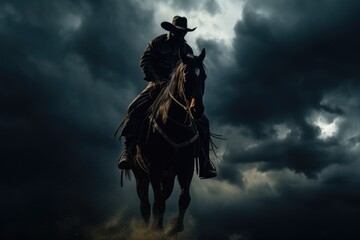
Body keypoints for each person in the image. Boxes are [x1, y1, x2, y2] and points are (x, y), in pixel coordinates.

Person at [116, 16, 217, 179]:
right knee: (133, 108)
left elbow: (190, 74)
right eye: (179, 31)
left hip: (178, 90)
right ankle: (127, 152)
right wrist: (155, 80)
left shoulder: (187, 49)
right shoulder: (157, 43)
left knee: (203, 121)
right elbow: (145, 61)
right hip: (156, 84)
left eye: (184, 32)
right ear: (172, 29)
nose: (182, 34)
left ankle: (205, 162)